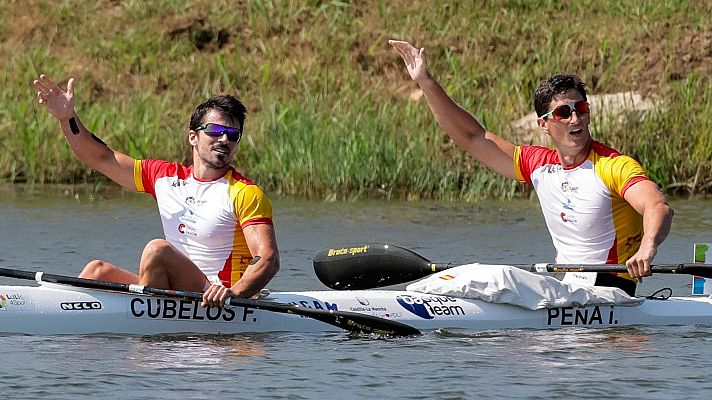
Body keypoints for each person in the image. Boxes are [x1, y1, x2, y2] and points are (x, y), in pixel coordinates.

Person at [389, 40, 673, 296]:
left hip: (610, 290)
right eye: (563, 112)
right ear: (543, 125)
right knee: (470, 274)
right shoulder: (538, 165)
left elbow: (657, 206)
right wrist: (426, 82)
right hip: (564, 288)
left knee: (501, 277)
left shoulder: (613, 166)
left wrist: (647, 247)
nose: (575, 118)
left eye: (581, 109)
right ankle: (420, 300)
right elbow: (473, 137)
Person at [33, 74, 280, 307]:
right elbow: (102, 158)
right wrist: (67, 118)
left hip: (218, 297)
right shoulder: (164, 177)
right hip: (177, 292)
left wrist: (234, 294)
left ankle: (146, 340)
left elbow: (267, 258)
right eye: (215, 131)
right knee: (97, 271)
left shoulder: (245, 193)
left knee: (157, 251)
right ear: (193, 137)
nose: (224, 139)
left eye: (232, 134)